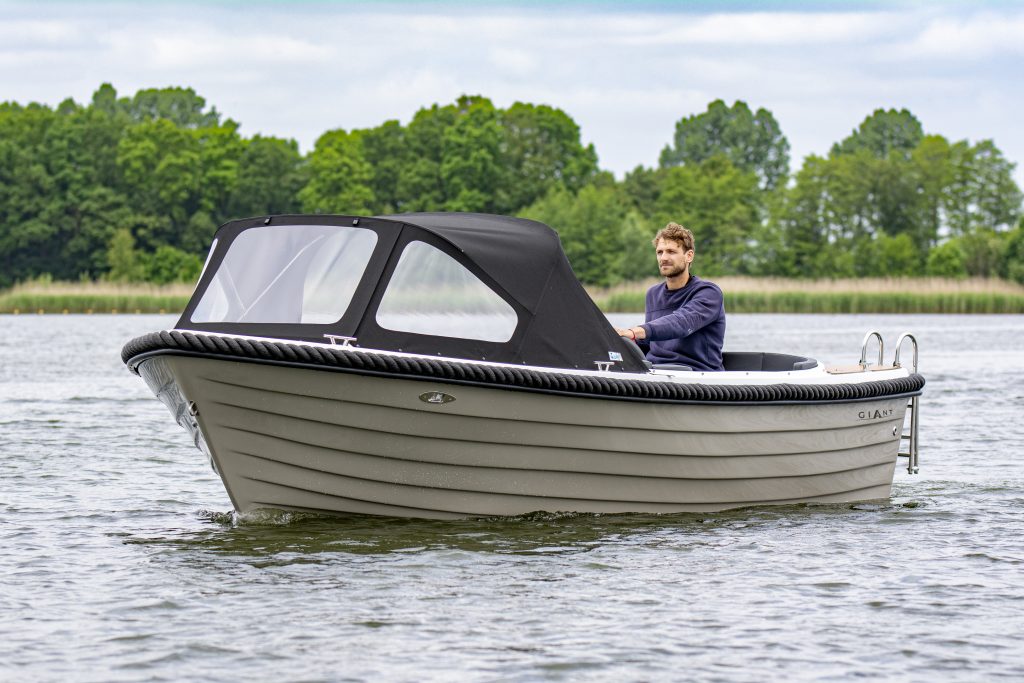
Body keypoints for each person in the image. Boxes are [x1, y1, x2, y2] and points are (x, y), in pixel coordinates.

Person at [614, 222, 725, 371]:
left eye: (671, 251)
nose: (663, 258)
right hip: (656, 371)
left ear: (689, 256)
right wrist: (617, 338)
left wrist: (634, 332)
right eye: (660, 252)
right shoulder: (653, 294)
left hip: (696, 375)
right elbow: (647, 343)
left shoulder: (709, 293)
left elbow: (681, 323)